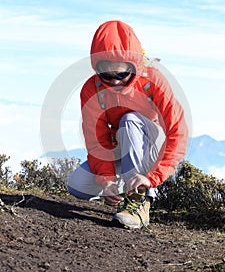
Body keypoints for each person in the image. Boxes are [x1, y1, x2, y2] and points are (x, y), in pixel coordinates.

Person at [68, 20, 188, 229]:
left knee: (129, 120)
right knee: (77, 185)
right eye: (107, 74)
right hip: (121, 148)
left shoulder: (153, 81)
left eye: (122, 74)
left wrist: (154, 177)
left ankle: (140, 201)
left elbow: (178, 132)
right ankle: (120, 194)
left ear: (134, 65)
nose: (114, 82)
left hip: (154, 150)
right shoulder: (92, 90)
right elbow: (97, 142)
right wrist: (107, 182)